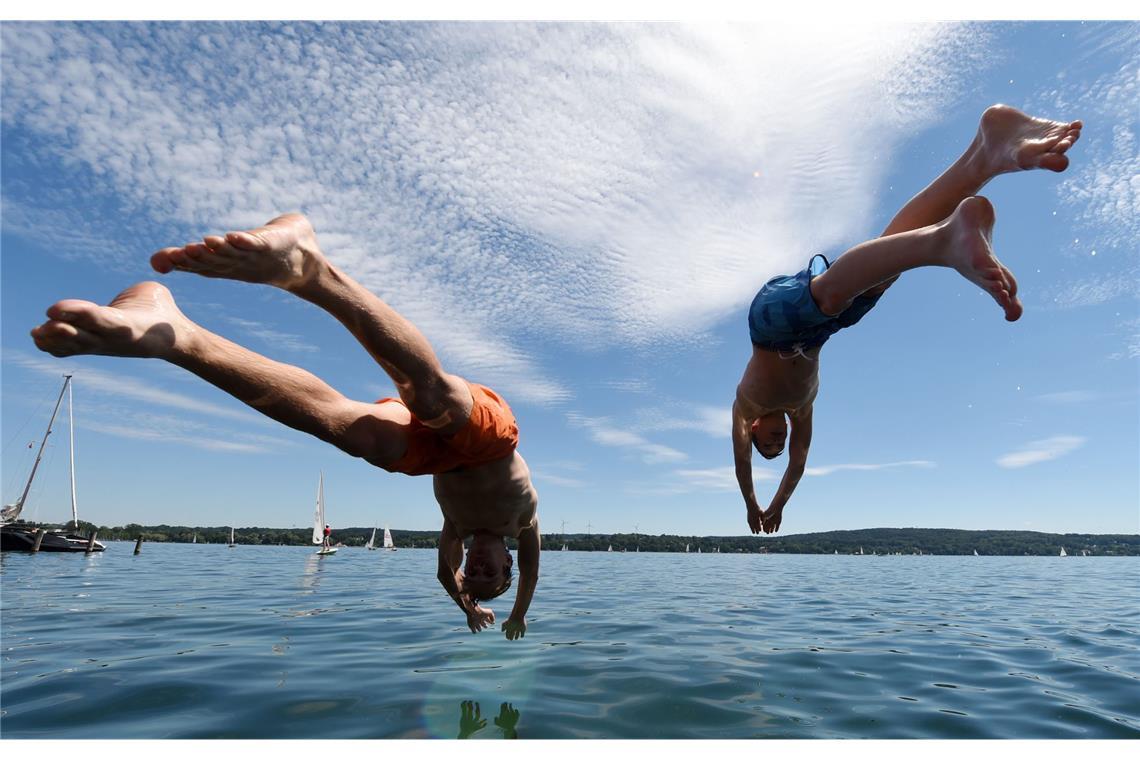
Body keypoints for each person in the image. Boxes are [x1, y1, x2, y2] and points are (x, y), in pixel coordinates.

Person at [31, 213, 540, 639]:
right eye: (489, 572)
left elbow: (442, 575)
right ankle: (309, 267)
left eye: (474, 573)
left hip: (436, 458)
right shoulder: (523, 526)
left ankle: (177, 335)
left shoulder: (455, 536)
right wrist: (516, 612)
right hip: (486, 442)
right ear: (507, 565)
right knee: (432, 396)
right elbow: (532, 572)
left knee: (358, 436)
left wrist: (468, 606)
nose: (475, 567)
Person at [734, 105, 1082, 535]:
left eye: (769, 440)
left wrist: (754, 504)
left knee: (831, 292)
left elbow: (743, 461)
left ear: (753, 428)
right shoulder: (801, 410)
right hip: (824, 328)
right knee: (882, 269)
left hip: (770, 324)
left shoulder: (746, 406)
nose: (778, 440)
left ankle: (944, 240)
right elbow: (799, 463)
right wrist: (781, 505)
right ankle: (985, 153)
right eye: (778, 444)